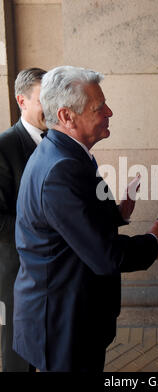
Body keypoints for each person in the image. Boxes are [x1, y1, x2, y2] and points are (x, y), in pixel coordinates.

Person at [13, 65, 158, 372]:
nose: (110, 111)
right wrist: (154, 242)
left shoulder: (67, 154)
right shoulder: (62, 168)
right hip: (62, 322)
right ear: (67, 117)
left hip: (70, 314)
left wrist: (118, 213)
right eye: (99, 107)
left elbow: (72, 223)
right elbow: (106, 256)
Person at [0, 67, 47, 372]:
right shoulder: (3, 146)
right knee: (19, 356)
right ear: (22, 100)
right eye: (46, 99)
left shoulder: (58, 140)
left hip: (53, 275)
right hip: (16, 274)